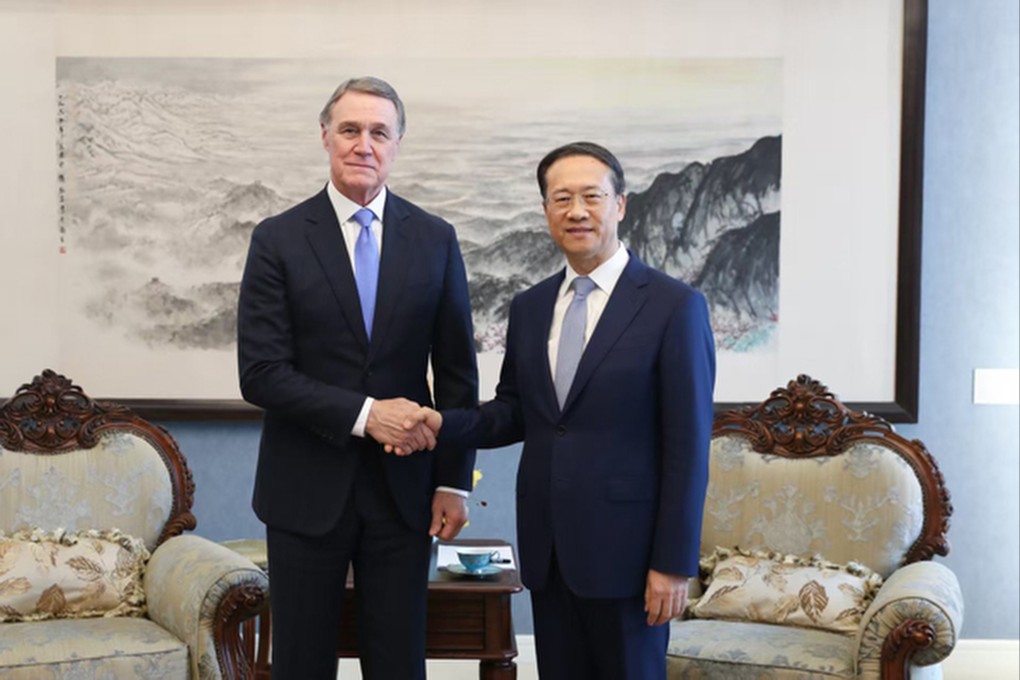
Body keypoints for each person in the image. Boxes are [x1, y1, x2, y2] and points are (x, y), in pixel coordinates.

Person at [403, 142, 715, 679]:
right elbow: (514, 412)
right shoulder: (530, 307)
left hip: (630, 559)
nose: (577, 211)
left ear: (620, 204)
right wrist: (441, 422)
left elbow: (688, 449)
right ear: (546, 210)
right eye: (562, 198)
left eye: (592, 197)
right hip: (549, 553)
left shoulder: (674, 306)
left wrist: (673, 563)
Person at [237, 76, 478, 680]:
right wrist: (369, 416)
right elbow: (261, 375)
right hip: (304, 490)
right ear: (325, 137)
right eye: (350, 129)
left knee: (399, 664)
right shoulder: (278, 239)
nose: (363, 144)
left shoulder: (436, 239)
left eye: (378, 132)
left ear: (397, 144)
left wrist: (453, 482)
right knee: (301, 664)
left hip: (406, 494)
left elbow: (457, 374)